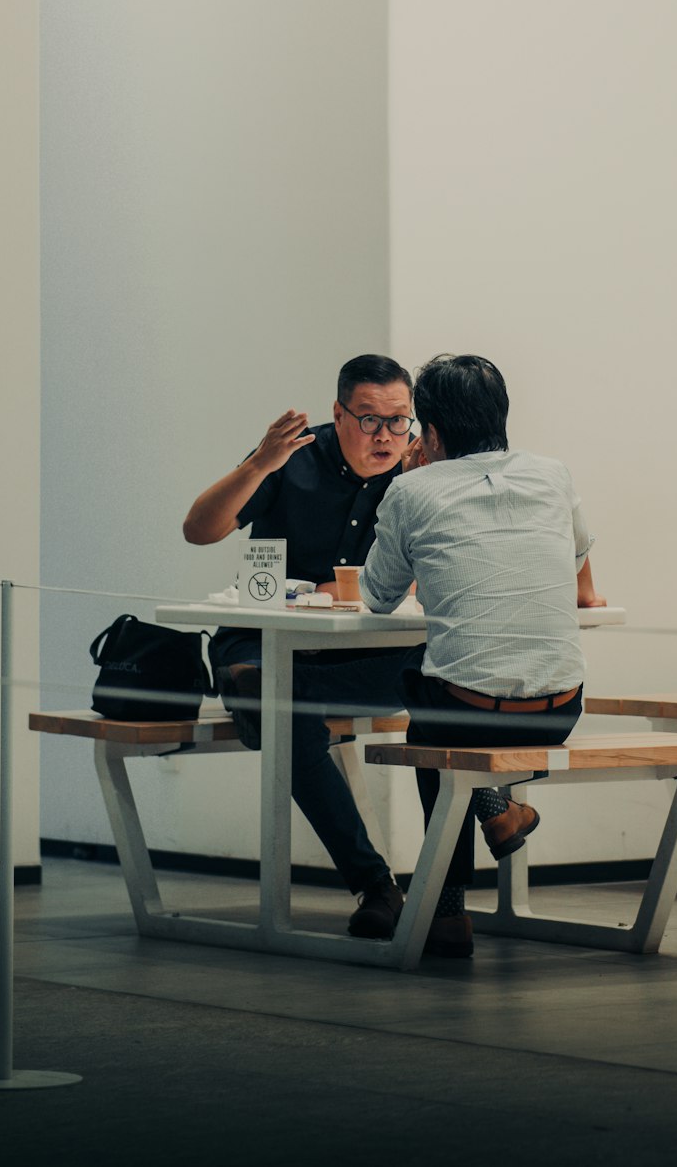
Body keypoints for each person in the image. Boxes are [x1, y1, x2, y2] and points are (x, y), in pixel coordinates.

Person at [360, 353, 601, 959]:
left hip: (470, 712)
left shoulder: (411, 489)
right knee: (441, 707)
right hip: (561, 708)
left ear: (431, 434)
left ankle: (451, 905)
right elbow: (576, 570)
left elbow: (376, 595)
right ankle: (494, 820)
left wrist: (412, 482)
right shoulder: (553, 474)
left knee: (423, 704)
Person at [182, 354, 418, 940]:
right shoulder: (294, 457)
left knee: (435, 674)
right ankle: (376, 885)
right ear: (338, 414)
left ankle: (444, 887)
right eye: (369, 420)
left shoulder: (416, 475)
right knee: (274, 700)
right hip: (266, 640)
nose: (385, 436)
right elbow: (199, 529)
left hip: (358, 651)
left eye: (399, 420)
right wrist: (259, 463)